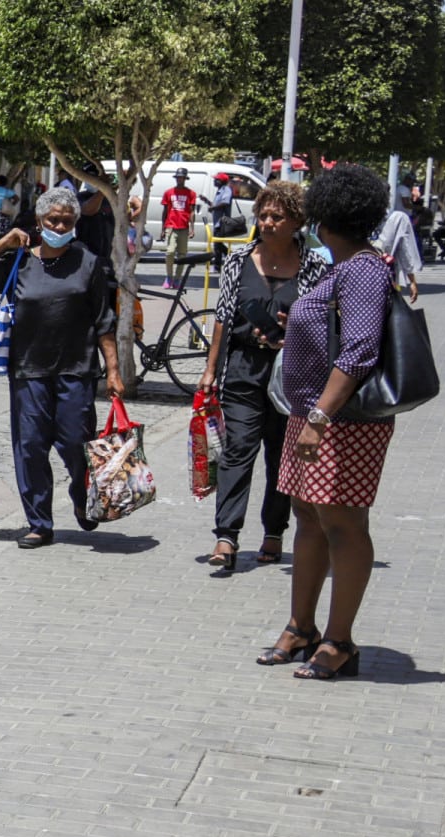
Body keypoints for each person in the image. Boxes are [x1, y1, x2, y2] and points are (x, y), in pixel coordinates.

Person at [257, 163, 398, 680]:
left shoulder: (362, 268)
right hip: (311, 414)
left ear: (324, 218)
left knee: (342, 522)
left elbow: (359, 350)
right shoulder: (342, 266)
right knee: (309, 517)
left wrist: (319, 415)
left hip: (341, 419)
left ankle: (339, 641)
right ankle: (301, 627)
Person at [0, 186, 127, 548]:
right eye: (53, 219)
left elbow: (104, 321)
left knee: (76, 444)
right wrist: (3, 242)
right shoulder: (21, 261)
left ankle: (83, 500)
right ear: (39, 222)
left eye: (67, 220)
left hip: (76, 370)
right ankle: (39, 522)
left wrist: (113, 370)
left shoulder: (89, 263)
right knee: (31, 448)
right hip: (27, 371)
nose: (60, 225)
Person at [199, 181, 327, 572]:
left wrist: (295, 330)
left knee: (280, 453)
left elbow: (325, 322)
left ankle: (274, 531)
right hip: (243, 371)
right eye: (264, 215)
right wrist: (210, 369)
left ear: (297, 222)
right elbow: (222, 317)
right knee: (238, 449)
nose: (268, 223)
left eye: (277, 217)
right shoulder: (239, 261)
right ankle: (226, 535)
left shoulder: (315, 266)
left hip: (293, 377)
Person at [375, 199, 422, 302]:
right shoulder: (397, 218)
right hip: (386, 277)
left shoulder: (356, 218)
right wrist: (412, 281)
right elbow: (405, 251)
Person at [160, 167, 199, 290]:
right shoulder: (168, 193)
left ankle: (177, 278)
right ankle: (169, 276)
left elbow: (192, 212)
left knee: (182, 255)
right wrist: (162, 228)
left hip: (184, 227)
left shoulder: (191, 193)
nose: (179, 180)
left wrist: (192, 228)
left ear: (185, 179)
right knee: (170, 252)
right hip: (171, 226)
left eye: (181, 178)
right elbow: (165, 211)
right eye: (178, 178)